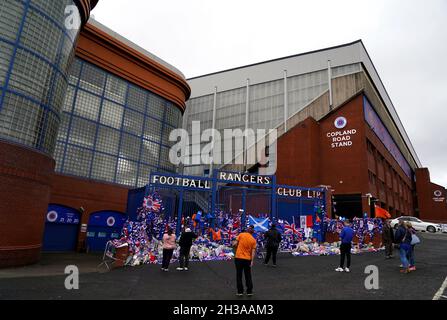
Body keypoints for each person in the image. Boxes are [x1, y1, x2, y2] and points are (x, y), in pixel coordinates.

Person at [234, 225, 257, 296]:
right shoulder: (253, 240)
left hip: (238, 258)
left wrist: (235, 247)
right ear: (252, 232)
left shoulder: (241, 235)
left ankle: (240, 291)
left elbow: (235, 244)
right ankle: (249, 291)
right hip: (247, 259)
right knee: (248, 275)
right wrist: (252, 261)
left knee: (239, 275)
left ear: (247, 230)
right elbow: (253, 252)